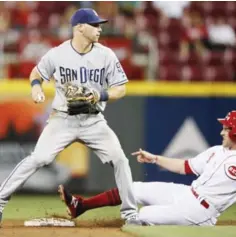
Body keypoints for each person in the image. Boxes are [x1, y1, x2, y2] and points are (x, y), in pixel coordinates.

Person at [0, 8, 140, 225]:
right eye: (94, 25)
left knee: (120, 159)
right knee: (39, 158)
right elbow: (36, 73)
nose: (99, 28)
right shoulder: (58, 53)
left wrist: (99, 94)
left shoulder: (106, 54)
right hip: (62, 119)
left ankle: (130, 214)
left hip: (94, 121)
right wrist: (36, 87)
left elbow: (120, 89)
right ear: (79, 27)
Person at [58, 110, 236, 226]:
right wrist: (154, 159)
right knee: (133, 188)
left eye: (226, 129)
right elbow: (185, 166)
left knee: (143, 215)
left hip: (201, 212)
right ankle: (81, 206)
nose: (222, 131)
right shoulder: (217, 150)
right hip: (187, 194)